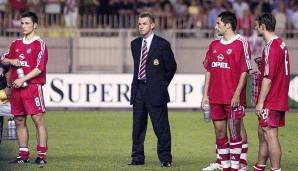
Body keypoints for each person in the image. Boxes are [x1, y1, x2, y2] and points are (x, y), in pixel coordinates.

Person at [201, 11, 252, 171]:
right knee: (219, 131)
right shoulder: (213, 45)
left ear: (228, 25)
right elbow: (209, 70)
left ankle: (237, 165)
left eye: (218, 24)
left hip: (233, 98)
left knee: (235, 131)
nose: (215, 27)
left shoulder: (242, 44)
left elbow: (245, 71)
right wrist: (205, 95)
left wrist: (237, 94)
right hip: (215, 97)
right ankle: (224, 165)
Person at [128, 12, 177, 167]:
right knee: (138, 127)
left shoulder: (162, 44)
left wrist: (162, 84)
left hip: (156, 91)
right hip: (139, 91)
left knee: (161, 127)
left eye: (144, 24)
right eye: (139, 24)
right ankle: (137, 158)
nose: (141, 27)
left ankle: (165, 159)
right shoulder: (135, 44)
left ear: (152, 25)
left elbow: (171, 67)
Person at [1, 11, 48, 164]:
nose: (24, 26)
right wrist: (11, 60)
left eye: (27, 23)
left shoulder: (39, 44)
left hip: (32, 87)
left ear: (35, 25)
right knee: (19, 120)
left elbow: (39, 68)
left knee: (37, 119)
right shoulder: (16, 44)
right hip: (16, 88)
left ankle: (41, 156)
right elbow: (3, 58)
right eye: (22, 23)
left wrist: (23, 79)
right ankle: (23, 155)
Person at [253, 13, 290, 171]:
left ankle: (276, 169)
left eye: (257, 25)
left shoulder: (271, 48)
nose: (255, 27)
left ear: (263, 26)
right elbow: (276, 70)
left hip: (271, 98)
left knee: (270, 135)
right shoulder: (280, 44)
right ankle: (260, 165)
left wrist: (261, 102)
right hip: (278, 96)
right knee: (262, 132)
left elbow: (268, 78)